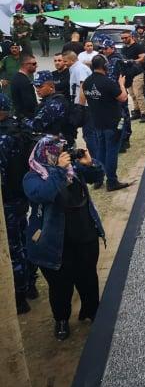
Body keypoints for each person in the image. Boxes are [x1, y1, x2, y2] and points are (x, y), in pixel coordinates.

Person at [23, 136, 105, 340]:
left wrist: (90, 164)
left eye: (63, 151)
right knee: (60, 285)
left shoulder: (72, 170)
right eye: (56, 152)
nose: (62, 155)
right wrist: (59, 170)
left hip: (84, 233)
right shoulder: (32, 177)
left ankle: (92, 310)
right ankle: (61, 320)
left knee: (88, 277)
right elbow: (44, 194)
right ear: (44, 154)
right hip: (54, 243)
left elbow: (97, 176)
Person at [0, 94, 35, 314]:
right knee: (24, 239)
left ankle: (20, 297)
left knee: (14, 249)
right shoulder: (21, 127)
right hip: (22, 193)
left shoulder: (4, 138)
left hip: (8, 200)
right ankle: (31, 284)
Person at [81, 55, 131, 192]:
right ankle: (112, 181)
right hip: (112, 123)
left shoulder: (87, 82)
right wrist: (121, 83)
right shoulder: (107, 82)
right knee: (111, 152)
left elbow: (83, 99)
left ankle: (99, 178)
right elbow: (123, 98)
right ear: (105, 66)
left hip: (97, 122)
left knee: (101, 151)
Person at [26, 71, 73, 142]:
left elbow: (37, 126)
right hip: (53, 141)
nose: (37, 90)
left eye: (40, 86)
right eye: (36, 86)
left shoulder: (54, 103)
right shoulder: (52, 100)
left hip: (56, 144)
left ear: (51, 86)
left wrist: (23, 121)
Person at [120, 30, 145, 123]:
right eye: (122, 38)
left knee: (138, 94)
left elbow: (143, 58)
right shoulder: (124, 48)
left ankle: (144, 113)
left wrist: (133, 61)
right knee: (132, 94)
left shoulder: (137, 46)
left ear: (131, 36)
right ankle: (137, 111)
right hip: (128, 74)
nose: (124, 39)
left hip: (137, 72)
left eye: (125, 37)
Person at [11, 53, 37, 120]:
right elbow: (29, 104)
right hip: (26, 118)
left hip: (20, 115)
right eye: (34, 64)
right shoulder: (24, 81)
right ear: (26, 65)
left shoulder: (16, 77)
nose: (36, 66)